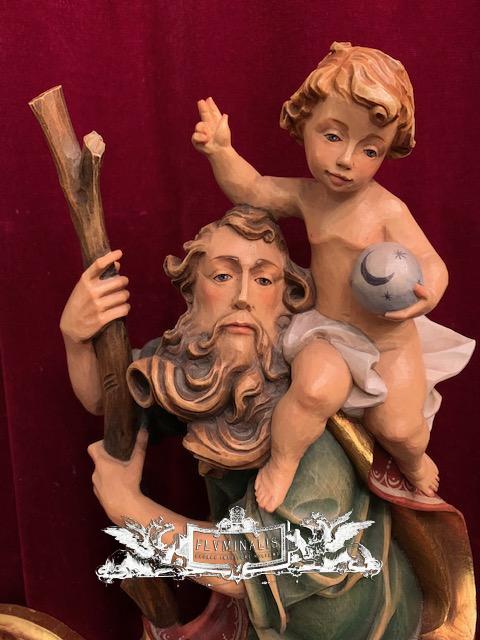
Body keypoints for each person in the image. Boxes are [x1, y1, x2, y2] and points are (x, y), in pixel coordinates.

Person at [60, 206, 427, 639]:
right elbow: (111, 402)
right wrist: (76, 338)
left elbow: (262, 564)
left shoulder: (308, 422)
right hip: (259, 617)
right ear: (192, 292)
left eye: (264, 279)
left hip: (344, 624)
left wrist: (132, 510)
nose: (243, 297)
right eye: (223, 276)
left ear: (287, 296)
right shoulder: (197, 362)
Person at [191, 41, 474, 512]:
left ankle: (414, 459)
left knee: (402, 429)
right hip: (330, 331)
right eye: (333, 136)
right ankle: (283, 461)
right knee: (313, 391)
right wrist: (221, 151)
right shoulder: (310, 197)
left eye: (370, 149)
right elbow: (254, 189)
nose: (346, 160)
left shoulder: (387, 209)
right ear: (304, 125)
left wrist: (428, 293)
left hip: (389, 340)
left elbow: (432, 261)